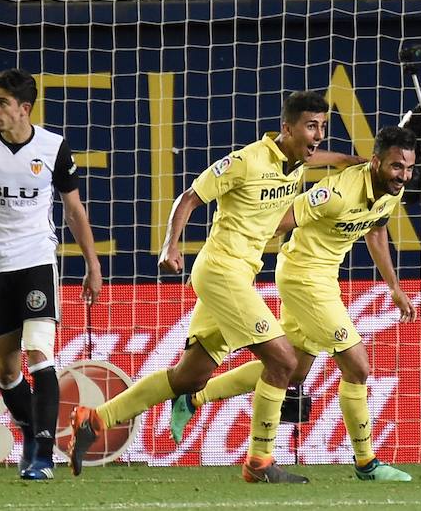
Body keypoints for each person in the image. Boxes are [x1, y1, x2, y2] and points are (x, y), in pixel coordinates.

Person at [68, 91, 363, 483]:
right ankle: (260, 461)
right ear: (286, 129)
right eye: (312, 126)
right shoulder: (246, 161)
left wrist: (357, 161)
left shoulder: (296, 163)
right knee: (285, 362)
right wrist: (170, 245)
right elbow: (190, 197)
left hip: (240, 275)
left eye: (323, 127)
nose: (319, 135)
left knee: (190, 377)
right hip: (221, 271)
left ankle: (94, 419)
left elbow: (328, 159)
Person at [170, 125, 418, 482]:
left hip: (324, 278)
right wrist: (242, 239)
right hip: (303, 277)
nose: (404, 176)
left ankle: (194, 398)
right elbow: (282, 221)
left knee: (294, 371)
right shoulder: (335, 193)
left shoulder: (390, 192)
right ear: (377, 162)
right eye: (397, 167)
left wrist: (393, 286)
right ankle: (366, 463)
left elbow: (376, 230)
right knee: (358, 365)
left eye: (409, 169)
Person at [0, 68, 102, 480]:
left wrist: (92, 263)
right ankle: (30, 428)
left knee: (38, 354)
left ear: (24, 109)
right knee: (7, 371)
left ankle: (44, 456)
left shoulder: (53, 147)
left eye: (2, 103)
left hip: (37, 263)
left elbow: (74, 209)